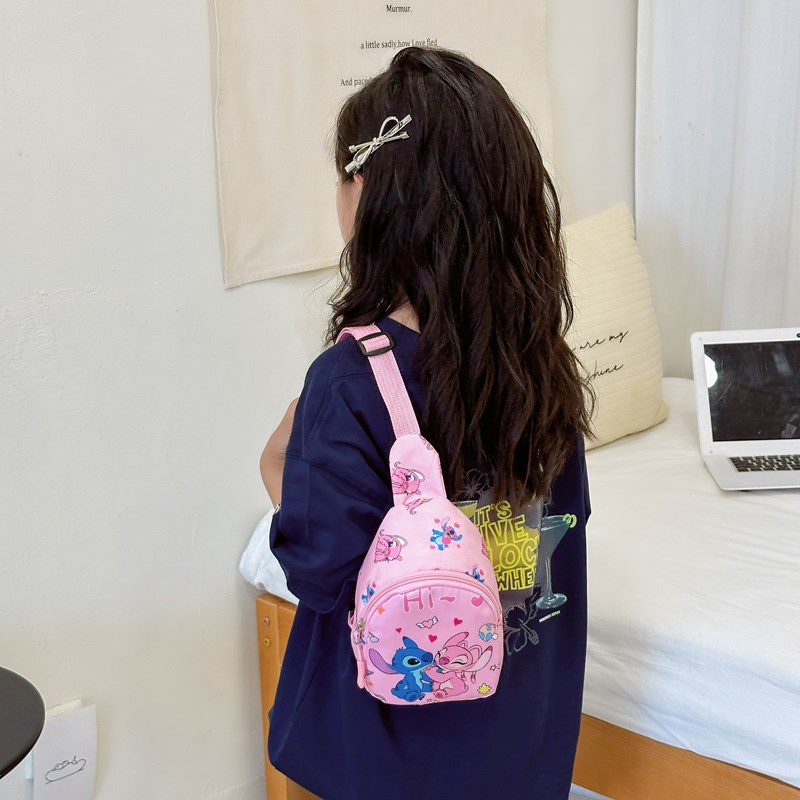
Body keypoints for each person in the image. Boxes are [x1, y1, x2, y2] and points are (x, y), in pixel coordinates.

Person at [260, 46, 594, 800]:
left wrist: (276, 470)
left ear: (368, 194)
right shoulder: (540, 363)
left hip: (385, 757)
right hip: (519, 736)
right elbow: (558, 533)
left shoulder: (348, 380)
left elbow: (322, 572)